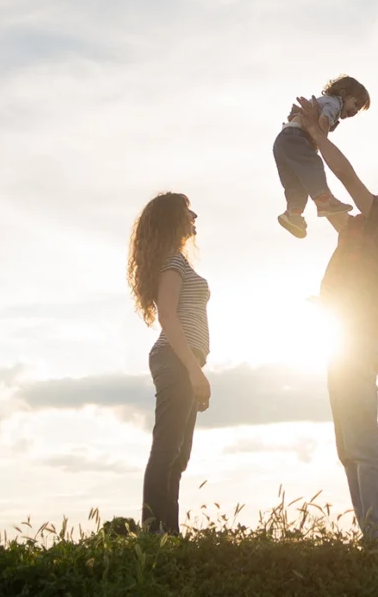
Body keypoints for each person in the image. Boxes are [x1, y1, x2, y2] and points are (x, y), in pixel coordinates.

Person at [292, 95, 378, 549]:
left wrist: (318, 135)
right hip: (343, 334)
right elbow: (337, 215)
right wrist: (304, 159)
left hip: (361, 336)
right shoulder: (367, 227)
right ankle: (372, 540)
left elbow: (348, 179)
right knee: (347, 446)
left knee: (364, 445)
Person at [126, 192, 212, 535]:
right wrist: (193, 371)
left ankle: (169, 537)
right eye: (187, 211)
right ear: (172, 219)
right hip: (177, 358)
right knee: (167, 449)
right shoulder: (173, 262)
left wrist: (195, 369)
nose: (194, 215)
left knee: (178, 455)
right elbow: (168, 317)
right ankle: (153, 534)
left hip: (184, 359)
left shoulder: (176, 260)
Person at [274, 74, 372, 239]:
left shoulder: (326, 101)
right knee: (313, 166)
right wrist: (322, 141)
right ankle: (324, 200)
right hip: (296, 137)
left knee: (296, 183)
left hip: (283, 141)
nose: (355, 111)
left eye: (358, 109)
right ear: (343, 94)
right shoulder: (333, 103)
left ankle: (293, 214)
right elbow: (324, 120)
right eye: (355, 104)